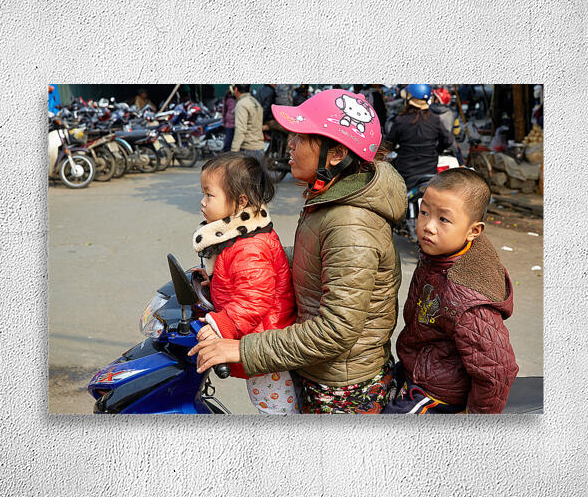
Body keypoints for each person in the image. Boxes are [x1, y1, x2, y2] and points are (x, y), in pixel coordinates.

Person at [190, 88, 407, 414]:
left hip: (341, 389)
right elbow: (314, 262)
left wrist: (242, 349)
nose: (289, 144)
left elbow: (335, 331)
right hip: (317, 369)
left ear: (335, 154)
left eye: (302, 137)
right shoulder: (330, 201)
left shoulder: (351, 225)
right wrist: (236, 268)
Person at [385, 168, 518, 414]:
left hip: (438, 391)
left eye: (443, 219)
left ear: (473, 231)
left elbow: (497, 368)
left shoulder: (466, 295)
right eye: (424, 212)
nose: (428, 226)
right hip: (417, 367)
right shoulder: (440, 255)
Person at [193, 153, 299, 414]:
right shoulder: (241, 238)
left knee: (277, 411)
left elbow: (254, 298)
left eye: (209, 195)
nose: (203, 202)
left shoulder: (250, 247)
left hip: (265, 345)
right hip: (258, 336)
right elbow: (241, 281)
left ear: (240, 201)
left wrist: (223, 324)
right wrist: (214, 280)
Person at [387, 84, 451, 189]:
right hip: (430, 171)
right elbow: (448, 140)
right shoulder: (435, 120)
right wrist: (436, 151)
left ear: (408, 100)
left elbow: (388, 144)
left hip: (406, 173)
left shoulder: (400, 121)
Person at [231, 85, 264, 160]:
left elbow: (240, 129)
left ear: (236, 89)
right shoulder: (255, 101)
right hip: (259, 147)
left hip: (248, 149)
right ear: (249, 89)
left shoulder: (241, 104)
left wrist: (234, 151)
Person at [221, 86, 237, 152]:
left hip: (238, 123)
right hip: (229, 124)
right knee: (228, 141)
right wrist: (224, 121)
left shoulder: (240, 97)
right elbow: (224, 109)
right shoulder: (228, 96)